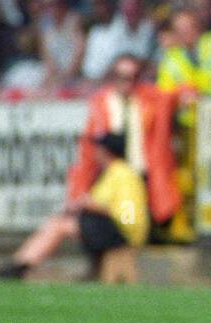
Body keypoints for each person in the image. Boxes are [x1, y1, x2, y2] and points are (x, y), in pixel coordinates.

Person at [0, 132, 148, 280]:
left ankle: (20, 265)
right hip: (117, 230)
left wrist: (89, 205)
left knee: (60, 225)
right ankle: (21, 264)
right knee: (62, 222)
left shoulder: (123, 175)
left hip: (124, 233)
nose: (96, 152)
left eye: (99, 148)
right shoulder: (113, 173)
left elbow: (128, 216)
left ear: (107, 151)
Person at [66, 53, 182, 232]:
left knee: (128, 221)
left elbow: (174, 94)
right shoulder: (102, 103)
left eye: (133, 77)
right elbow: (88, 149)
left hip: (134, 172)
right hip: (111, 173)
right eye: (121, 77)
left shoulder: (147, 99)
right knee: (114, 217)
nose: (127, 82)